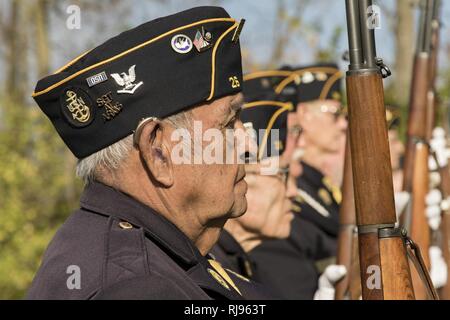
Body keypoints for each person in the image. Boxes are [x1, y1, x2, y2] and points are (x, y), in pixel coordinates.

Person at [26, 6, 270, 300]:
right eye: (229, 123)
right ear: (158, 151)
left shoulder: (156, 255)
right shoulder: (136, 286)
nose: (248, 145)